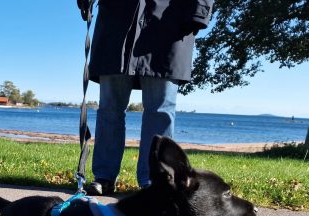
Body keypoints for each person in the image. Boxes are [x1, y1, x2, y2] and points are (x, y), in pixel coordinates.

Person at [77, 0, 214, 195]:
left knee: (161, 109)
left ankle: (154, 180)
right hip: (116, 22)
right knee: (109, 108)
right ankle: (104, 177)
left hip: (169, 21)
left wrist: (199, 12)